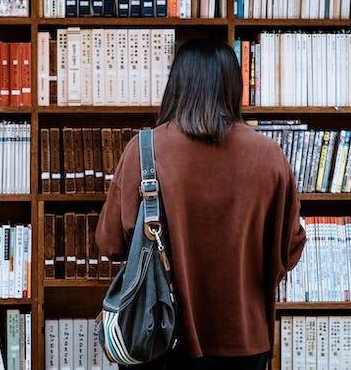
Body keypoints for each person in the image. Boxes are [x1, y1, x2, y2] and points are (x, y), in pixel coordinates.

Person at [95, 38, 306, 370]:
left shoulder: (144, 149)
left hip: (158, 335)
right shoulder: (269, 156)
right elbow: (290, 250)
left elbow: (111, 243)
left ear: (176, 85)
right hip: (245, 339)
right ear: (233, 86)